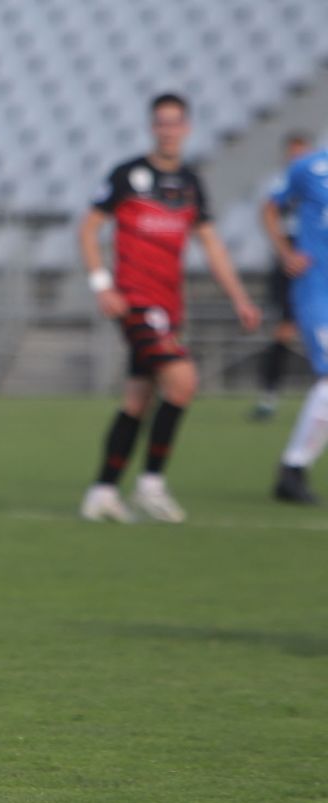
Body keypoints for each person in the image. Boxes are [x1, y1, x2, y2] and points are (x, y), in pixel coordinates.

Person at [77, 93, 260, 524]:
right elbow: (88, 230)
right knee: (183, 382)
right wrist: (102, 285)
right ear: (152, 127)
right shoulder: (127, 175)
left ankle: (102, 491)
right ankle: (150, 485)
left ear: (187, 128)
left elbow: (211, 244)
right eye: (161, 122)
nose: (168, 130)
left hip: (169, 305)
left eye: (175, 122)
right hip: (136, 303)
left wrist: (239, 297)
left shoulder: (192, 183)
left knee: (137, 400)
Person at [262, 133, 328, 503]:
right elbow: (269, 207)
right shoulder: (310, 166)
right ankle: (292, 469)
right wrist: (286, 252)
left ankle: (293, 469)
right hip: (317, 289)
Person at [252, 132, 314, 421]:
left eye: (302, 153)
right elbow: (267, 212)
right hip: (290, 266)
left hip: (317, 263)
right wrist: (286, 253)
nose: (297, 159)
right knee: (285, 331)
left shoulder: (318, 183)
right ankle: (269, 395)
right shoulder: (281, 185)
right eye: (293, 154)